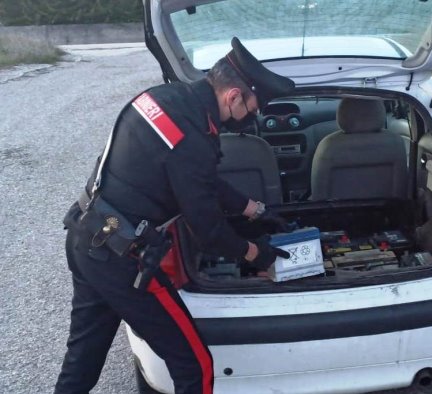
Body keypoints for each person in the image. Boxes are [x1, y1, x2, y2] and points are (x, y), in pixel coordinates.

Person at [54, 37, 295, 394]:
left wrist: (254, 210)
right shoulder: (191, 138)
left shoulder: (165, 101)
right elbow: (209, 231)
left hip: (87, 237)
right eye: (253, 109)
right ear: (233, 97)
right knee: (194, 366)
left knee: (82, 362)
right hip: (123, 261)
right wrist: (257, 253)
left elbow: (200, 180)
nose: (251, 118)